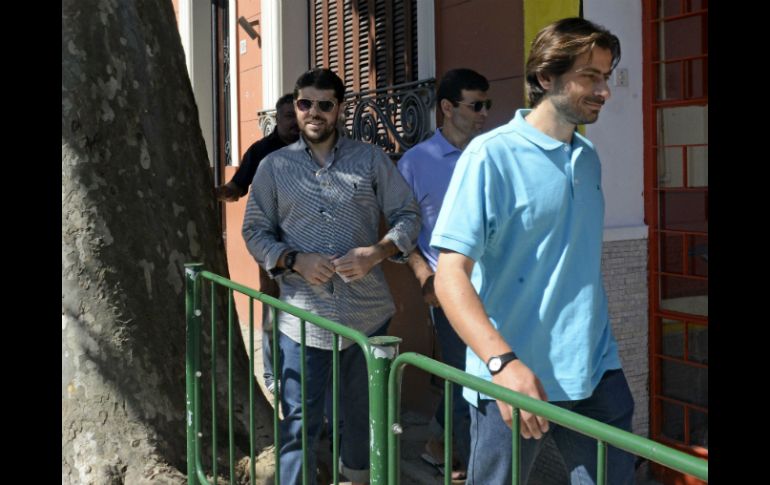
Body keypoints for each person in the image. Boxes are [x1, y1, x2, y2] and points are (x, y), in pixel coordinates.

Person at [431, 18, 635, 485]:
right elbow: (450, 275)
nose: (604, 90)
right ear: (547, 77)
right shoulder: (490, 156)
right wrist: (502, 364)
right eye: (590, 76)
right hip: (514, 380)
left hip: (597, 375)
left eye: (606, 76)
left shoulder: (587, 157)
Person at [242, 68, 420, 485]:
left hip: (368, 316)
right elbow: (253, 231)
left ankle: (356, 476)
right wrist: (293, 260)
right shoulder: (273, 167)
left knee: (362, 415)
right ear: (295, 106)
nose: (314, 112)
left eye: (325, 104)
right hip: (302, 320)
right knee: (300, 418)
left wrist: (377, 252)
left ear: (339, 108)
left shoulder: (371, 159)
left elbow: (408, 216)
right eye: (305, 103)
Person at [396, 68, 491, 482]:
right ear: (448, 108)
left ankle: (437, 440)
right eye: (476, 106)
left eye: (487, 105)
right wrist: (423, 277)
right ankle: (476, 466)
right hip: (449, 289)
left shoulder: (492, 151)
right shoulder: (416, 162)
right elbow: (401, 228)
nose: (485, 114)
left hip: (499, 287)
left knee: (473, 373)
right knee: (469, 374)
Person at [214, 93, 299, 396]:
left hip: (310, 243)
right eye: (288, 115)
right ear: (277, 118)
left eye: (297, 114)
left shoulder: (315, 149)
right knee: (273, 304)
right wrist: (215, 192)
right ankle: (272, 373)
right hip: (271, 244)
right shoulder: (261, 151)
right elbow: (236, 189)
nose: (294, 121)